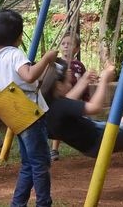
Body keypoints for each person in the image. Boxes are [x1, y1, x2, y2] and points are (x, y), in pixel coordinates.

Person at [0, 9, 57, 207]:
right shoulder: (15, 54)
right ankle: (44, 203)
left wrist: (2, 76)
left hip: (13, 112)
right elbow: (29, 76)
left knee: (28, 163)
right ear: (20, 37)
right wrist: (46, 59)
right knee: (40, 163)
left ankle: (18, 204)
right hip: (29, 111)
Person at [50, 32, 88, 162]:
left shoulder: (79, 65)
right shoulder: (57, 63)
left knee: (78, 124)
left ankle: (85, 145)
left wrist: (86, 97)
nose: (66, 46)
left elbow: (84, 82)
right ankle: (54, 149)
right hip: (61, 99)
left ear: (76, 49)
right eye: (63, 43)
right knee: (59, 123)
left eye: (69, 44)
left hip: (76, 99)